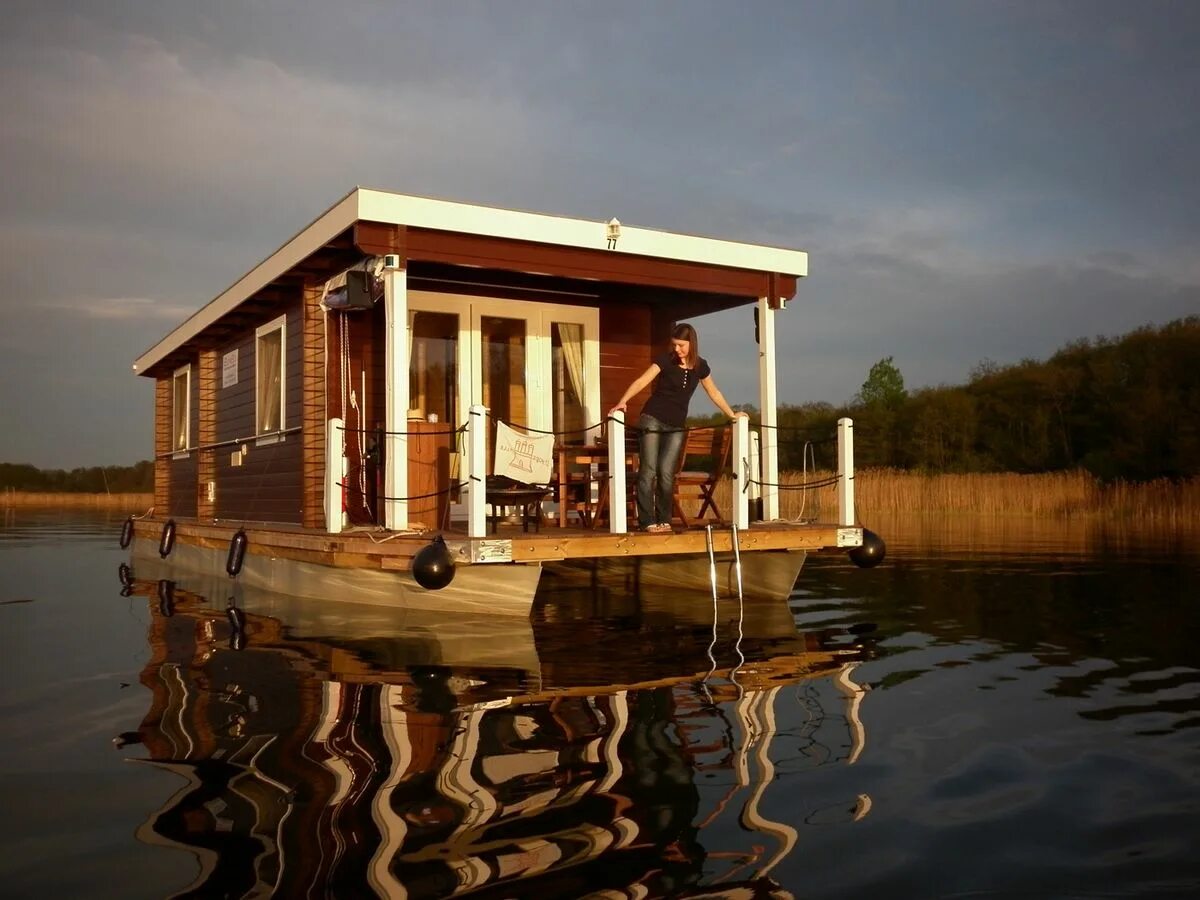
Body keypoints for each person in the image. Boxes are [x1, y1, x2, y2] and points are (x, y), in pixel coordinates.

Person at [609, 323, 747, 533]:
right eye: (674, 345)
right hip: (652, 418)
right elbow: (642, 380)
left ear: (692, 343)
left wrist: (731, 414)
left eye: (681, 345)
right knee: (648, 471)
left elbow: (714, 392)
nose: (677, 349)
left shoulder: (701, 366)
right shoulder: (665, 360)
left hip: (676, 426)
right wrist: (622, 401)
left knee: (666, 473)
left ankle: (664, 519)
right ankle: (647, 522)